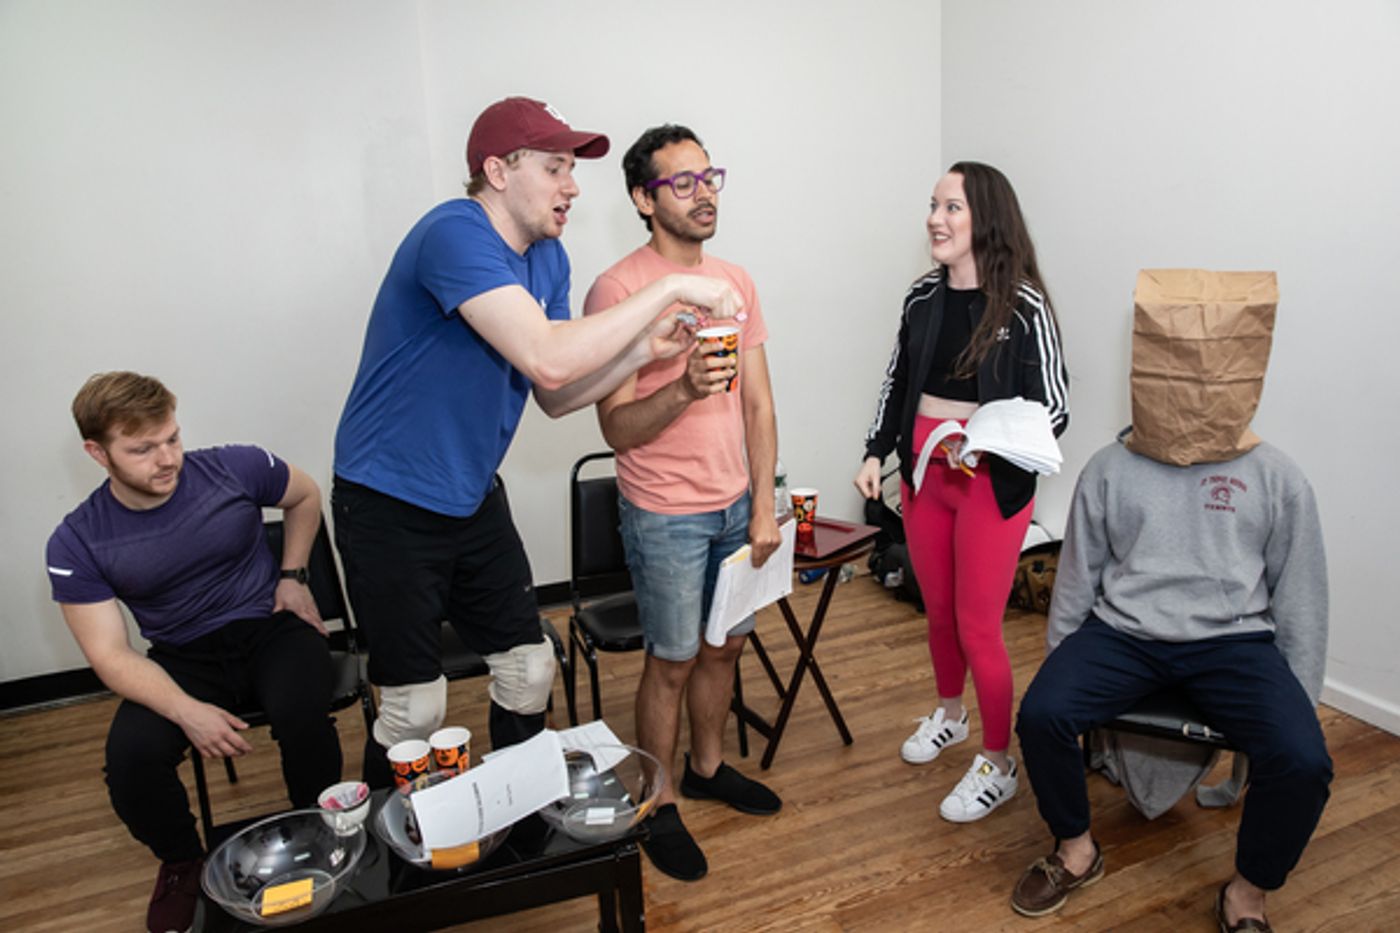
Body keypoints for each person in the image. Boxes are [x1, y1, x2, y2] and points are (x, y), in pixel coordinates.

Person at [332, 98, 745, 787]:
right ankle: (393, 849)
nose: (573, 186)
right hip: (387, 497)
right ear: (497, 170)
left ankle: (514, 808)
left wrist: (645, 348)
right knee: (413, 707)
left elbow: (555, 393)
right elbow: (549, 357)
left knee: (529, 667)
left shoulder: (547, 258)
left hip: (469, 495)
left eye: (572, 170)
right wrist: (675, 284)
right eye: (555, 168)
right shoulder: (452, 232)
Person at [1011, 287, 1330, 931]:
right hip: (1123, 633)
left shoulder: (1277, 477)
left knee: (1304, 761)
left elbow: (1301, 596)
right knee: (1042, 714)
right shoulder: (1108, 469)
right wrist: (1060, 670)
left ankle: (1248, 894)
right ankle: (1076, 851)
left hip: (1234, 643)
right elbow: (1077, 577)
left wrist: (1295, 705)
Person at [45, 372, 342, 933]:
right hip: (182, 657)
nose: (167, 459)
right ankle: (183, 861)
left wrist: (293, 575)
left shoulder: (235, 466)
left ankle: (317, 832)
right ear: (96, 452)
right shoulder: (77, 540)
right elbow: (111, 656)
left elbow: (306, 495)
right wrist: (186, 711)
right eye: (143, 449)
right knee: (130, 762)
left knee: (303, 712)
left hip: (269, 627)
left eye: (172, 439)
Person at [581, 124, 782, 882]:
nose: (705, 193)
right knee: (670, 659)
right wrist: (686, 388)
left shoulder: (735, 280)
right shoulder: (620, 289)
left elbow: (759, 405)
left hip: (737, 506)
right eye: (683, 182)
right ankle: (656, 800)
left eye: (710, 177)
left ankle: (707, 765)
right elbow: (616, 427)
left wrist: (763, 505)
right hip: (664, 512)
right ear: (642, 197)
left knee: (724, 647)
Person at [854, 162, 1068, 822]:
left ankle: (999, 763)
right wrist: (875, 450)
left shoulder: (1024, 304)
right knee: (938, 611)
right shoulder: (922, 298)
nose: (935, 219)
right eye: (933, 205)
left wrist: (985, 437)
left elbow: (1054, 407)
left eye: (952, 208)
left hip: (988, 481)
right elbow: (898, 382)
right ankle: (950, 713)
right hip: (924, 472)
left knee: (980, 626)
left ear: (987, 219)